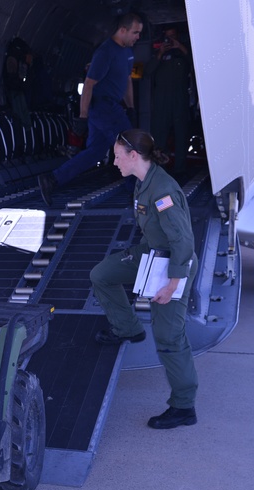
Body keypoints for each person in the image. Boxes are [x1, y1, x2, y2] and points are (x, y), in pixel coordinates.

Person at [90, 129, 198, 429]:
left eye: (117, 156)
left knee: (169, 336)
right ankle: (128, 328)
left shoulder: (162, 191)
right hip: (152, 254)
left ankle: (184, 406)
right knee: (102, 274)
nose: (114, 162)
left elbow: (183, 241)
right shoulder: (143, 183)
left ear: (133, 156)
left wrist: (173, 284)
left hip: (174, 264)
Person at [38, 13, 143, 206]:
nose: (138, 37)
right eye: (135, 32)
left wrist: (131, 107)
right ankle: (138, 192)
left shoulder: (128, 53)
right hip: (104, 107)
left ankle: (52, 179)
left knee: (95, 152)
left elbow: (127, 80)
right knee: (130, 147)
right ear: (123, 30)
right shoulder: (105, 52)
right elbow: (88, 85)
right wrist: (83, 116)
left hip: (111, 107)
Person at [149, 26, 192, 175]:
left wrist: (180, 47)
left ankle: (180, 169)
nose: (170, 40)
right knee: (159, 134)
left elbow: (195, 64)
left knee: (181, 134)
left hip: (180, 99)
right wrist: (160, 52)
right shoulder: (158, 54)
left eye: (173, 36)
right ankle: (159, 169)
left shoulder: (183, 53)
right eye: (167, 37)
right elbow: (148, 72)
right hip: (162, 101)